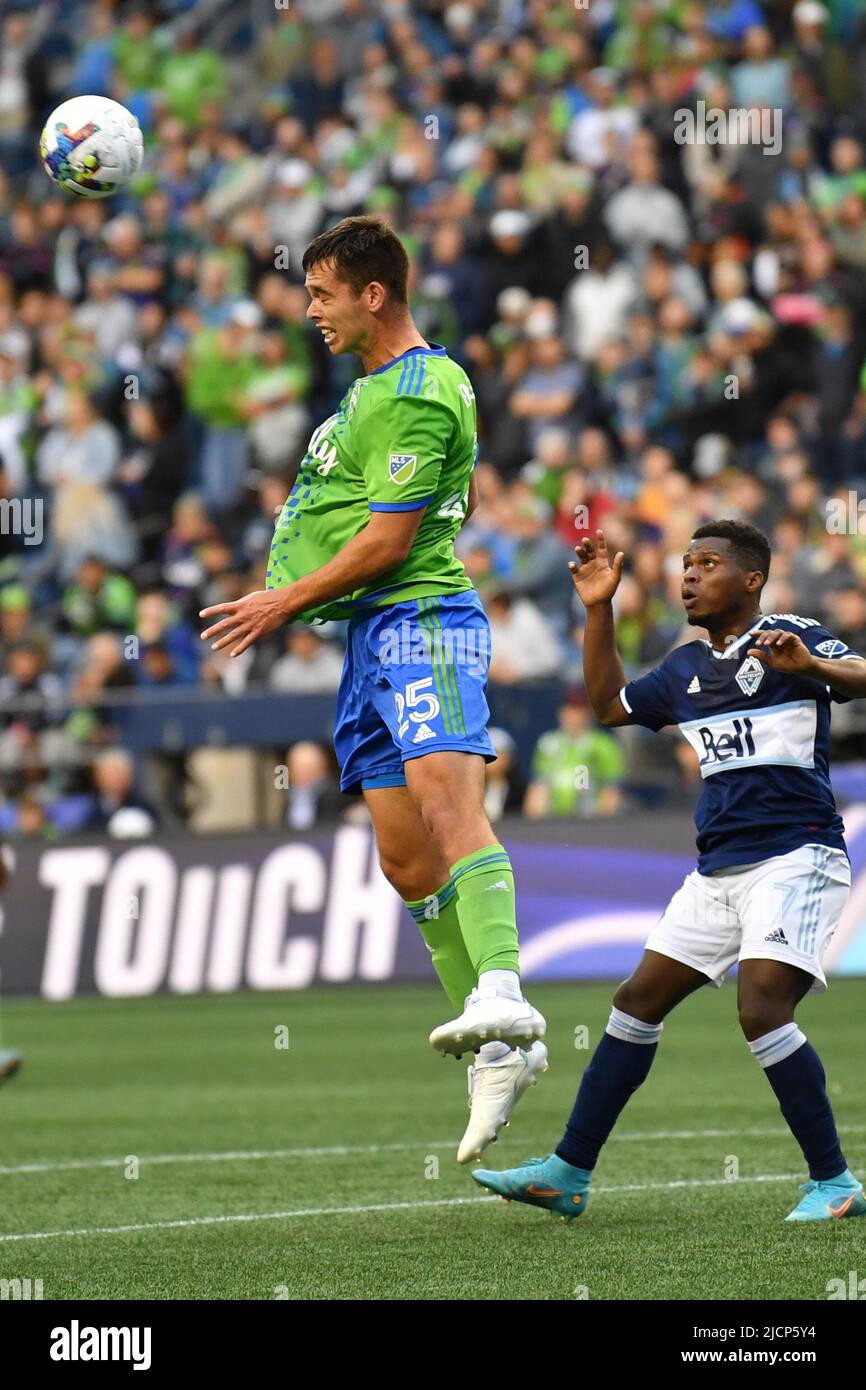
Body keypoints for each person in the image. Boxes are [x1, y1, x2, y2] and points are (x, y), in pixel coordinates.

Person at [200, 216, 547, 1164]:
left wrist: (282, 602)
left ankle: (506, 992)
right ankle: (495, 1049)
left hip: (420, 620)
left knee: (447, 803)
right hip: (368, 637)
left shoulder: (419, 390)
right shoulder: (376, 393)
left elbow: (393, 542)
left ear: (373, 293)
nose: (307, 311)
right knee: (403, 861)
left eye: (319, 294)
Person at [474, 521, 866, 1223]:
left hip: (797, 856)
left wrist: (813, 668)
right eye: (686, 564)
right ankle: (568, 1172)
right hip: (717, 872)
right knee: (635, 1003)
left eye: (707, 564)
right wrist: (599, 609)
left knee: (761, 1008)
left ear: (750, 579)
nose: (688, 575)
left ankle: (834, 1183)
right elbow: (606, 706)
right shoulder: (685, 668)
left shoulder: (790, 636)